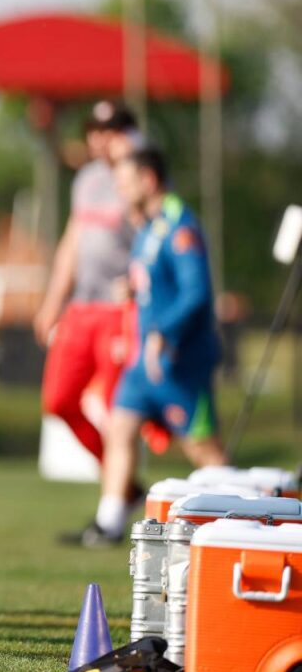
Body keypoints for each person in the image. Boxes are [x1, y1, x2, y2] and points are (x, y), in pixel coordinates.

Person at [70, 147, 226, 547]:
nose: (120, 190)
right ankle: (109, 524)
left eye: (125, 182)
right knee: (119, 428)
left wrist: (163, 332)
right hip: (143, 365)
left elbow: (196, 293)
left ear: (149, 180)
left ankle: (243, 526)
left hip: (178, 364)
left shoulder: (180, 227)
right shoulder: (150, 227)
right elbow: (154, 280)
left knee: (203, 451)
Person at [35, 101, 140, 464]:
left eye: (112, 130)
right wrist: (52, 302)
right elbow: (71, 243)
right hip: (82, 305)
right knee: (58, 400)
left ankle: (115, 500)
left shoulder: (140, 175)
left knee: (117, 410)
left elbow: (156, 233)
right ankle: (120, 483)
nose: (101, 139)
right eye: (95, 131)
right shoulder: (87, 179)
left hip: (119, 308)